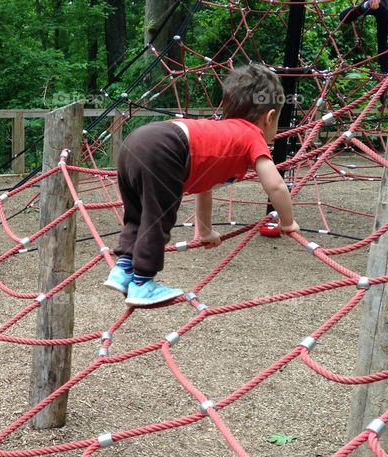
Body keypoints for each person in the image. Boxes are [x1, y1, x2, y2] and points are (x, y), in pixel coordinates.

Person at [104, 64, 299, 306]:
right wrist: (287, 221)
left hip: (135, 143)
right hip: (166, 147)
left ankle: (123, 269)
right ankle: (143, 283)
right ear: (269, 118)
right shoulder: (252, 135)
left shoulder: (219, 134)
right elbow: (276, 185)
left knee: (138, 215)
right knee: (157, 218)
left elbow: (205, 188)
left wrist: (205, 231)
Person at [336, 0, 388, 75]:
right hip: (384, 7)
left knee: (382, 40)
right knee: (382, 40)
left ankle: (385, 72)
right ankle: (385, 72)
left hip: (384, 7)